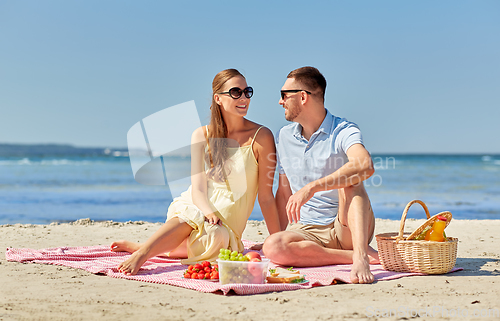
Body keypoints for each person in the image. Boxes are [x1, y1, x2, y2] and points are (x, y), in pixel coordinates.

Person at [112, 69, 281, 275]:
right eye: (236, 92)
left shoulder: (261, 136)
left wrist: (276, 241)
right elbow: (198, 188)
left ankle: (142, 247)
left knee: (216, 238)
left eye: (247, 92)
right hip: (197, 204)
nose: (244, 97)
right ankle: (142, 254)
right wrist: (207, 211)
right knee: (192, 214)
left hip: (227, 221)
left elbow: (265, 197)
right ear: (218, 98)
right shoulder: (202, 135)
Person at [262, 66, 380, 284]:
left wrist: (312, 187)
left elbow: (365, 165)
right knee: (272, 246)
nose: (280, 102)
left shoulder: (343, 130)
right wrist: (278, 235)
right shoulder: (284, 136)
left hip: (344, 227)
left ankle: (361, 255)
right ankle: (353, 256)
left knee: (351, 180)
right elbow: (284, 191)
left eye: (284, 95)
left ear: (303, 97)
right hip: (306, 230)